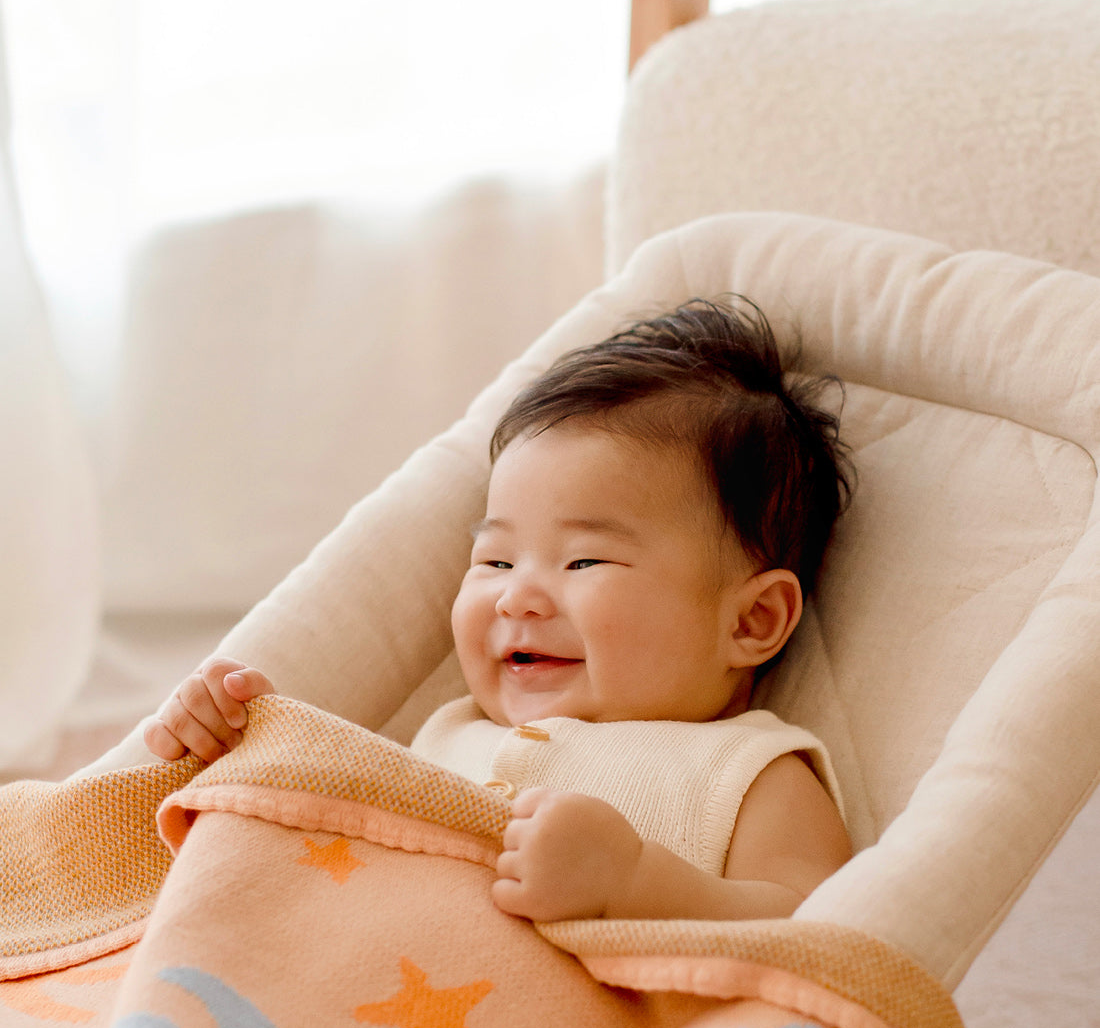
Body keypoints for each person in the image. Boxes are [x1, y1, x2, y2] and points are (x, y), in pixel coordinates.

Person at [145, 299, 854, 924]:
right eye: (495, 562)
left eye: (585, 562)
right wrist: (249, 743)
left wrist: (635, 882)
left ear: (750, 622)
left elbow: (821, 925)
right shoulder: (448, 734)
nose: (516, 596)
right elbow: (328, 844)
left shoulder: (748, 772)